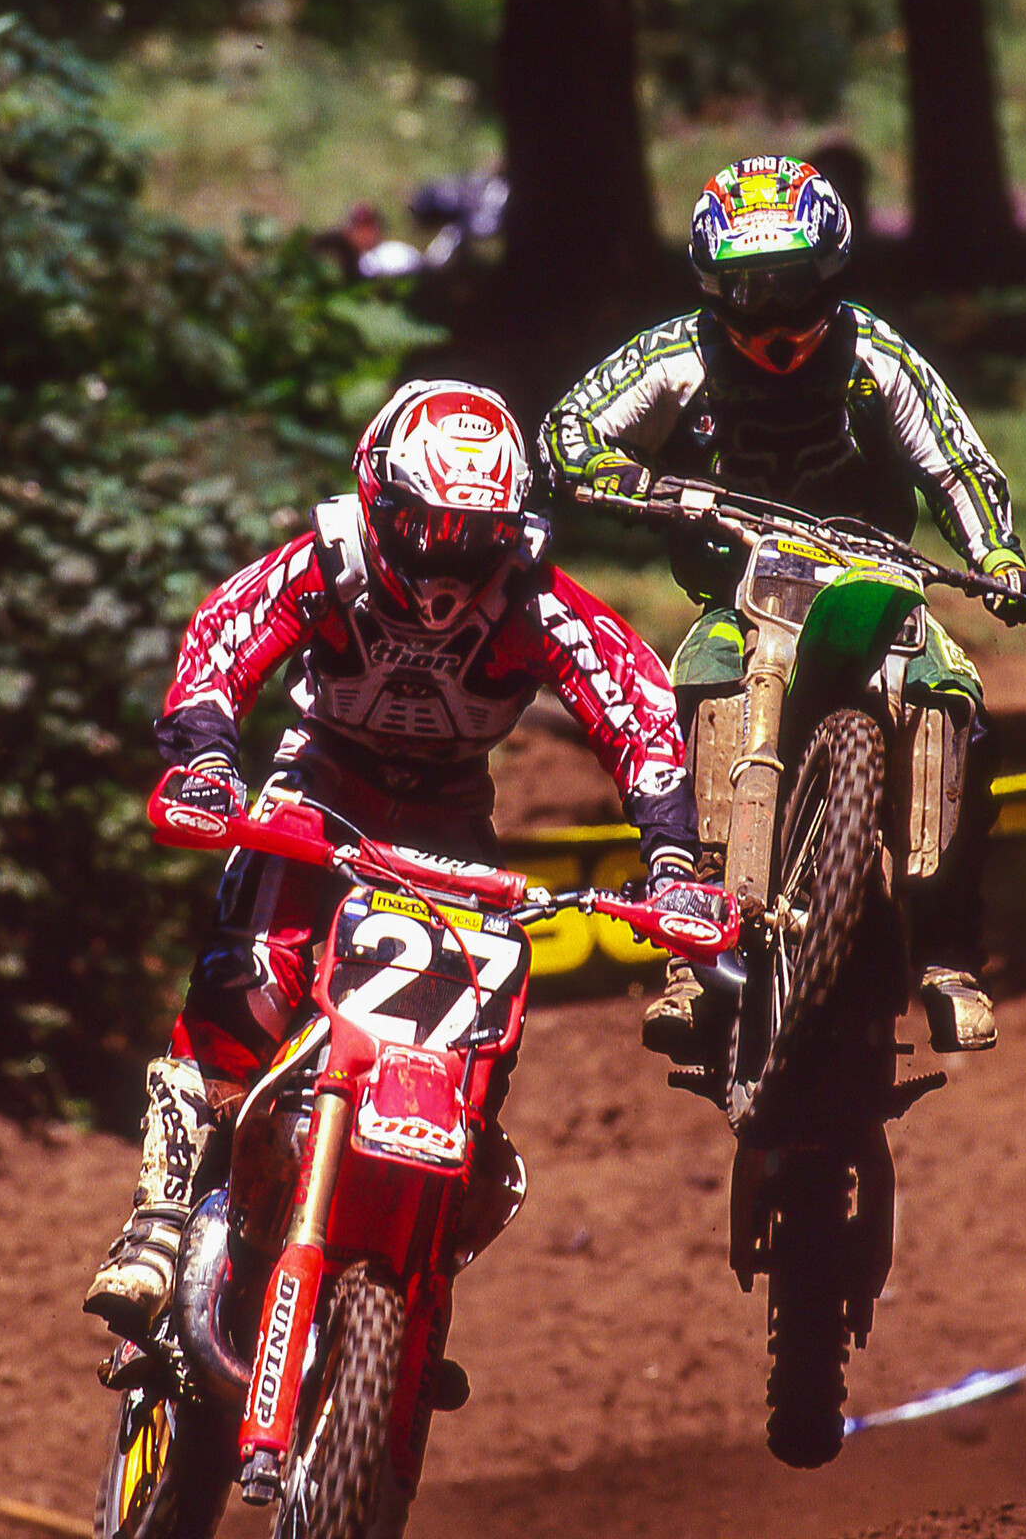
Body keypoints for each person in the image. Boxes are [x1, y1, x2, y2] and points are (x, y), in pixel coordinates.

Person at [84, 379, 713, 1336]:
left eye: (475, 535)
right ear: (378, 502)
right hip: (319, 792)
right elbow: (222, 638)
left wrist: (672, 864)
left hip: (448, 817)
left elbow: (639, 710)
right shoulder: (326, 564)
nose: (446, 559)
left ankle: (415, 1293)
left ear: (511, 528)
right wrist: (206, 763)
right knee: (249, 980)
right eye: (424, 528)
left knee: (481, 1031)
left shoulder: (534, 599)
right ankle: (160, 1220)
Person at [537, 154, 1026, 1070]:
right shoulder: (672, 357)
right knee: (696, 684)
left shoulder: (875, 358)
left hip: (872, 580)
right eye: (747, 288)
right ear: (712, 286)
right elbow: (564, 431)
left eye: (788, 283)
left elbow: (955, 463)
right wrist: (625, 478)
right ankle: (693, 955)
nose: (772, 312)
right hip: (736, 591)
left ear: (829, 270)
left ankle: (947, 955)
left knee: (953, 699)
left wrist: (998, 558)